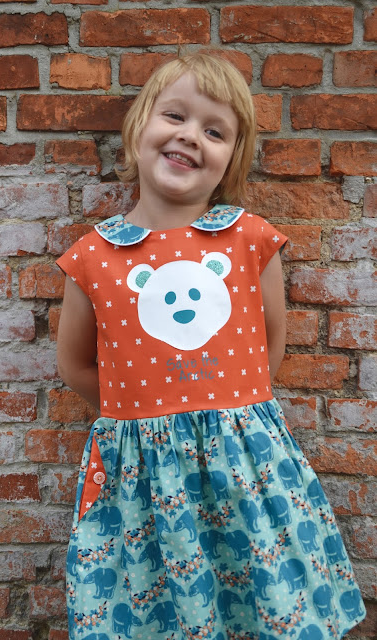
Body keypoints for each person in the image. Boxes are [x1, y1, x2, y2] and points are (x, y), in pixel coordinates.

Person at [56, 50, 365, 640]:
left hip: (245, 466)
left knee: (266, 600)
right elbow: (74, 365)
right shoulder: (93, 257)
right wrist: (143, 418)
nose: (190, 136)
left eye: (215, 131)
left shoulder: (248, 241)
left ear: (231, 159)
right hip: (143, 477)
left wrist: (224, 414)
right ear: (139, 127)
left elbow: (270, 349)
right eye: (175, 116)